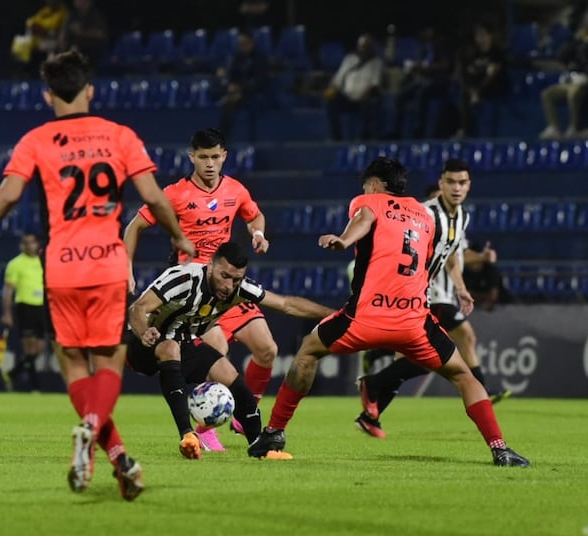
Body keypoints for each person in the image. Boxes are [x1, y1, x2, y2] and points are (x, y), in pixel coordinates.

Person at [0, 48, 195, 502]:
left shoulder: (37, 140)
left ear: (48, 96)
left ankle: (118, 457)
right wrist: (178, 236)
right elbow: (155, 197)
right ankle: (92, 427)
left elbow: (7, 195)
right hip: (107, 264)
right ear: (90, 90)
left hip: (59, 265)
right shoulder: (118, 136)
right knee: (109, 363)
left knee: (73, 364)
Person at [248, 157, 529, 467]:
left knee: (307, 354)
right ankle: (500, 448)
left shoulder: (369, 201)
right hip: (413, 321)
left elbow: (364, 220)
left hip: (364, 319)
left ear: (375, 184)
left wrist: (343, 240)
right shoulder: (425, 214)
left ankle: (275, 432)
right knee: (465, 376)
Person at [124, 127, 276, 452]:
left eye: (215, 157)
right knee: (217, 349)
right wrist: (126, 267)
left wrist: (258, 233)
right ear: (192, 157)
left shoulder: (235, 189)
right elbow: (134, 225)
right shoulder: (175, 194)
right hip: (195, 289)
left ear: (225, 157)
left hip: (229, 286)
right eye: (203, 157)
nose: (209, 164)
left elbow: (254, 214)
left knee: (267, 348)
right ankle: (206, 424)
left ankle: (239, 414)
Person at [125, 241, 332, 460]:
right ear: (211, 266)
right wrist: (144, 331)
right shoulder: (183, 278)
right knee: (170, 347)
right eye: (224, 276)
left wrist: (336, 314)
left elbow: (286, 304)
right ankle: (188, 436)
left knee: (228, 374)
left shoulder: (240, 288)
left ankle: (259, 446)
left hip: (183, 340)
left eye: (236, 279)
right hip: (142, 341)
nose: (229, 286)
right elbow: (137, 308)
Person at [353, 159, 511, 439]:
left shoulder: (462, 216)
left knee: (413, 357)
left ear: (469, 185)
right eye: (451, 182)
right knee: (442, 351)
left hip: (426, 297)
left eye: (462, 183)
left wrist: (461, 288)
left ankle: (371, 409)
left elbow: (450, 254)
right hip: (413, 295)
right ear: (440, 184)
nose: (457, 188)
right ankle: (374, 385)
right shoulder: (424, 214)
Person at [1, 232, 47, 392]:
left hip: (42, 307)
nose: (29, 246)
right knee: (30, 349)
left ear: (37, 244)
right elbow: (8, 290)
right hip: (25, 306)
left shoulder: (43, 261)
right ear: (22, 245)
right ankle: (36, 387)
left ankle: (12, 373)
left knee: (40, 348)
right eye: (26, 243)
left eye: (31, 243)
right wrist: (7, 312)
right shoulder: (15, 264)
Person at [452, 23, 508, 139]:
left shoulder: (497, 53)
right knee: (462, 92)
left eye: (484, 35)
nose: (481, 39)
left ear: (490, 36)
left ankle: (468, 130)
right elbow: (464, 73)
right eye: (478, 36)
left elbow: (492, 75)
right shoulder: (473, 54)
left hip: (493, 87)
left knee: (485, 85)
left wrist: (478, 92)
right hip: (474, 89)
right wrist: (472, 91)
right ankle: (463, 130)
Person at [324, 33, 384, 141]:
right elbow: (338, 79)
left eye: (367, 46)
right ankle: (336, 136)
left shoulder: (377, 62)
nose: (364, 49)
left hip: (364, 98)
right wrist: (332, 88)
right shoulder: (349, 59)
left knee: (371, 102)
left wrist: (366, 93)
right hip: (347, 97)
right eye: (362, 46)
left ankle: (364, 136)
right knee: (331, 101)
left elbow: (375, 83)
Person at [538, 13, 588, 139]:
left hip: (584, 83)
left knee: (573, 94)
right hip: (573, 81)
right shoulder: (578, 43)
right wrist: (577, 40)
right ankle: (554, 128)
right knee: (547, 94)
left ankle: (574, 128)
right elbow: (561, 56)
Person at [215, 30, 270, 141]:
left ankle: (221, 140)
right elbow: (232, 76)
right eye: (240, 44)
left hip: (253, 92)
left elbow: (259, 81)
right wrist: (230, 85)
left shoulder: (260, 58)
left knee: (230, 105)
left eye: (244, 44)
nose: (242, 46)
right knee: (219, 92)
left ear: (251, 43)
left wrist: (241, 89)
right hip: (236, 91)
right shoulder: (237, 57)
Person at [57, 0, 109, 68]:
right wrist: (62, 48)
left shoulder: (96, 15)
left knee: (77, 50)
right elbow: (63, 32)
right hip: (73, 45)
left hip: (91, 46)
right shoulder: (72, 15)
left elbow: (101, 34)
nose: (80, 2)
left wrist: (82, 32)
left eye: (83, 1)